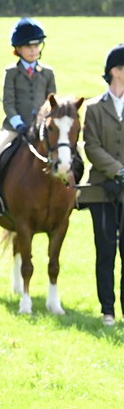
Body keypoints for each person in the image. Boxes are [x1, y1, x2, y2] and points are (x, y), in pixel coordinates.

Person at [0, 17, 57, 217]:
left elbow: (52, 102)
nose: (33, 50)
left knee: (65, 151)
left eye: (36, 45)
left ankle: (72, 194)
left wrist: (44, 123)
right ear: (18, 49)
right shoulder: (12, 72)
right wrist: (18, 123)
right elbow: (8, 102)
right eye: (28, 46)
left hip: (41, 128)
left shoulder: (47, 72)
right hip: (15, 128)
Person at [79, 43, 124, 326]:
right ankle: (107, 310)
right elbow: (91, 146)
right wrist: (118, 171)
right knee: (105, 252)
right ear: (115, 71)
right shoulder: (94, 109)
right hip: (101, 192)